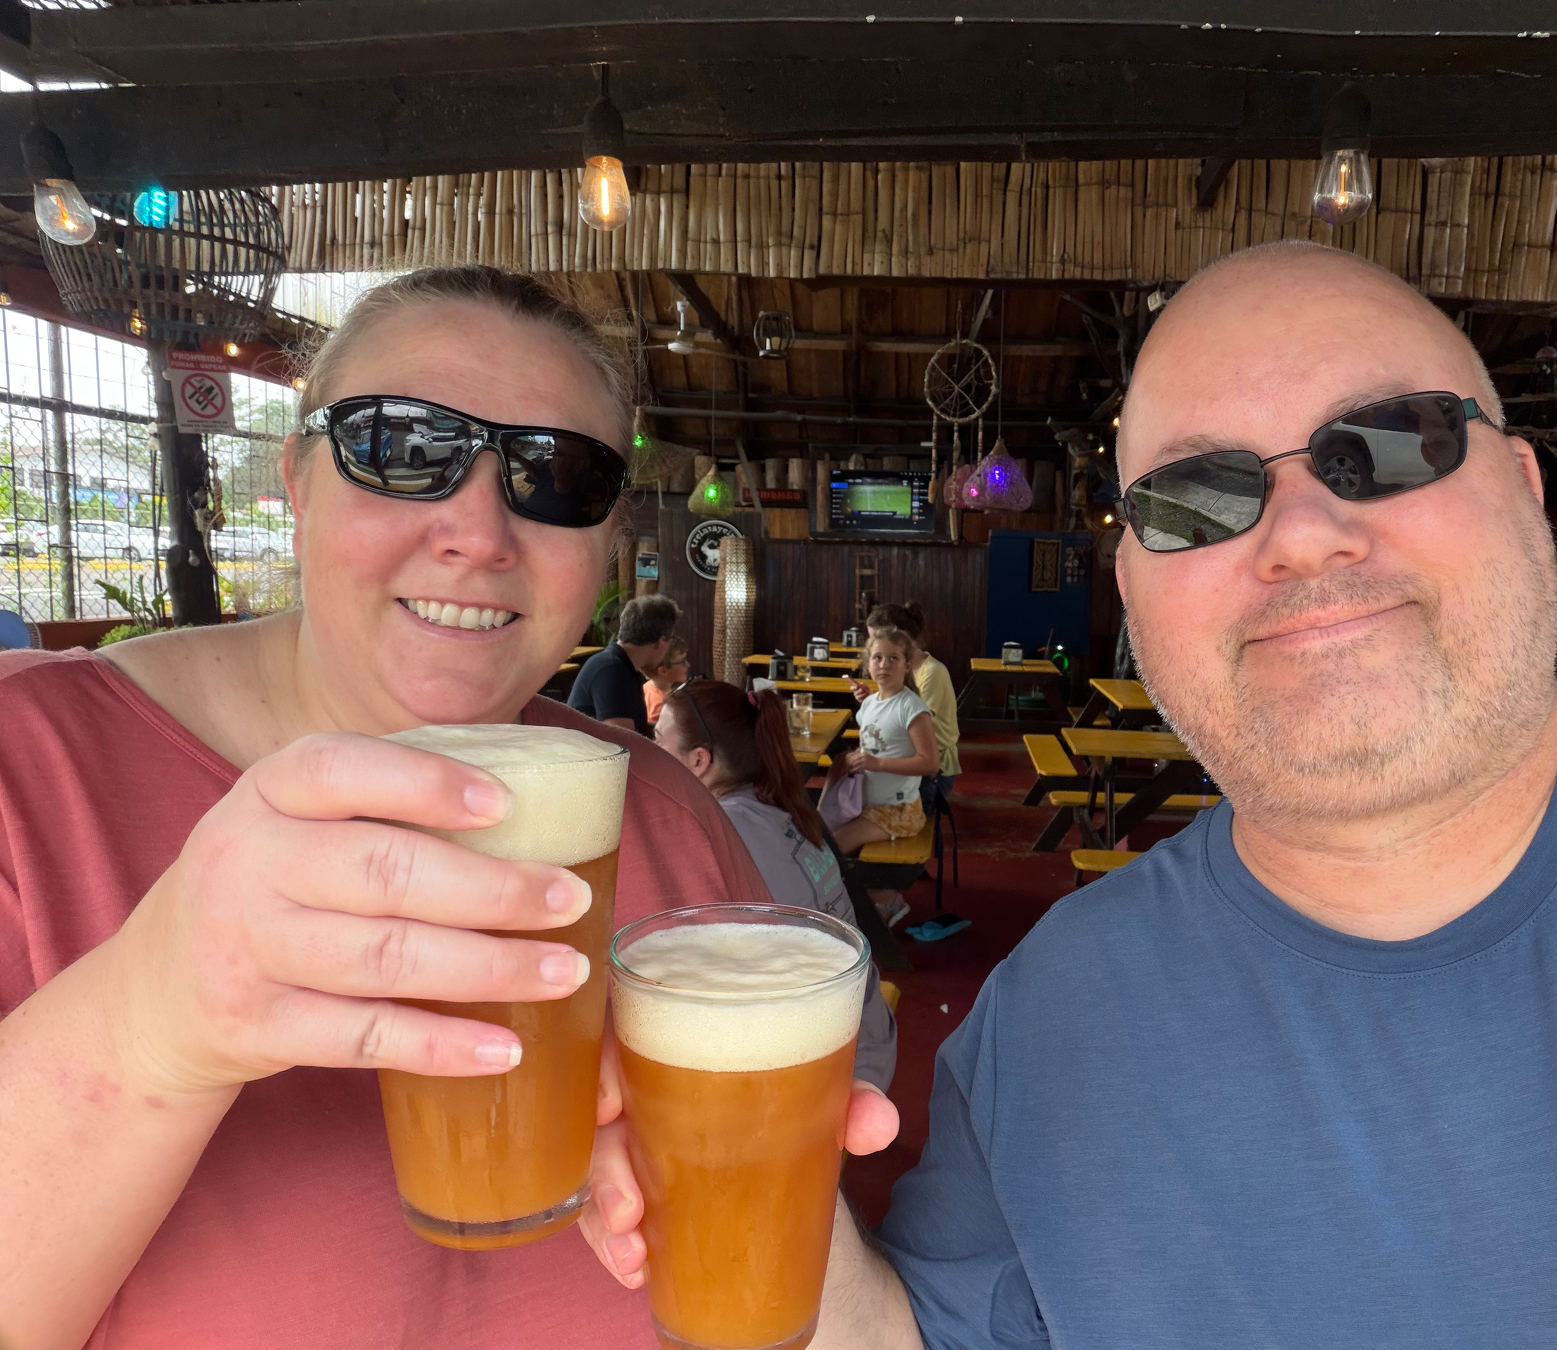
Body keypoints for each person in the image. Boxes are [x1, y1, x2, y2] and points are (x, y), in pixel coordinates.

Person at [589, 239, 1557, 1347]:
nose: (1303, 535)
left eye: (1387, 445)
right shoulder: (1046, 1020)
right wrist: (741, 1193)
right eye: (1198, 498)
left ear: (1525, 491)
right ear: (1132, 581)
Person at [0, 264, 900, 1350]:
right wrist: (148, 1024)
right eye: (401, 447)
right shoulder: (29, 771)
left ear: (604, 543)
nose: (479, 532)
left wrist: (788, 1204)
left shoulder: (659, 807)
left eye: (559, 479)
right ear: (295, 476)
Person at [654, 677, 897, 1090]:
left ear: (698, 761)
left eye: (657, 739)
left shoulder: (721, 833)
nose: (650, 751)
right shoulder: (776, 802)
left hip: (836, 1062)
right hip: (867, 1024)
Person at [831, 627, 937, 930]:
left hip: (899, 811)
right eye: (877, 658)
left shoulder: (912, 708)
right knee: (818, 832)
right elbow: (872, 743)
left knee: (832, 847)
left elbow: (929, 763)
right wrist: (857, 759)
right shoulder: (869, 703)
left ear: (907, 665)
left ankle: (882, 901)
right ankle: (878, 895)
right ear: (868, 664)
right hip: (868, 802)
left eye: (893, 658)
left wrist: (876, 763)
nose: (884, 664)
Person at [866, 602, 959, 814]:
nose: (874, 646)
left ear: (901, 637)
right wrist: (871, 699)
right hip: (909, 757)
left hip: (936, 771)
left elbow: (912, 729)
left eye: (876, 638)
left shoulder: (932, 672)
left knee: (874, 804)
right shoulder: (901, 669)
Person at [568, 593, 679, 734]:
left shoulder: (621, 665)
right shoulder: (611, 669)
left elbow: (637, 730)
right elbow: (621, 740)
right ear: (661, 642)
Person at [641, 634, 688, 725]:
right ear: (663, 671)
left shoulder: (648, 687)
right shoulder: (661, 706)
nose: (688, 665)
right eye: (682, 661)